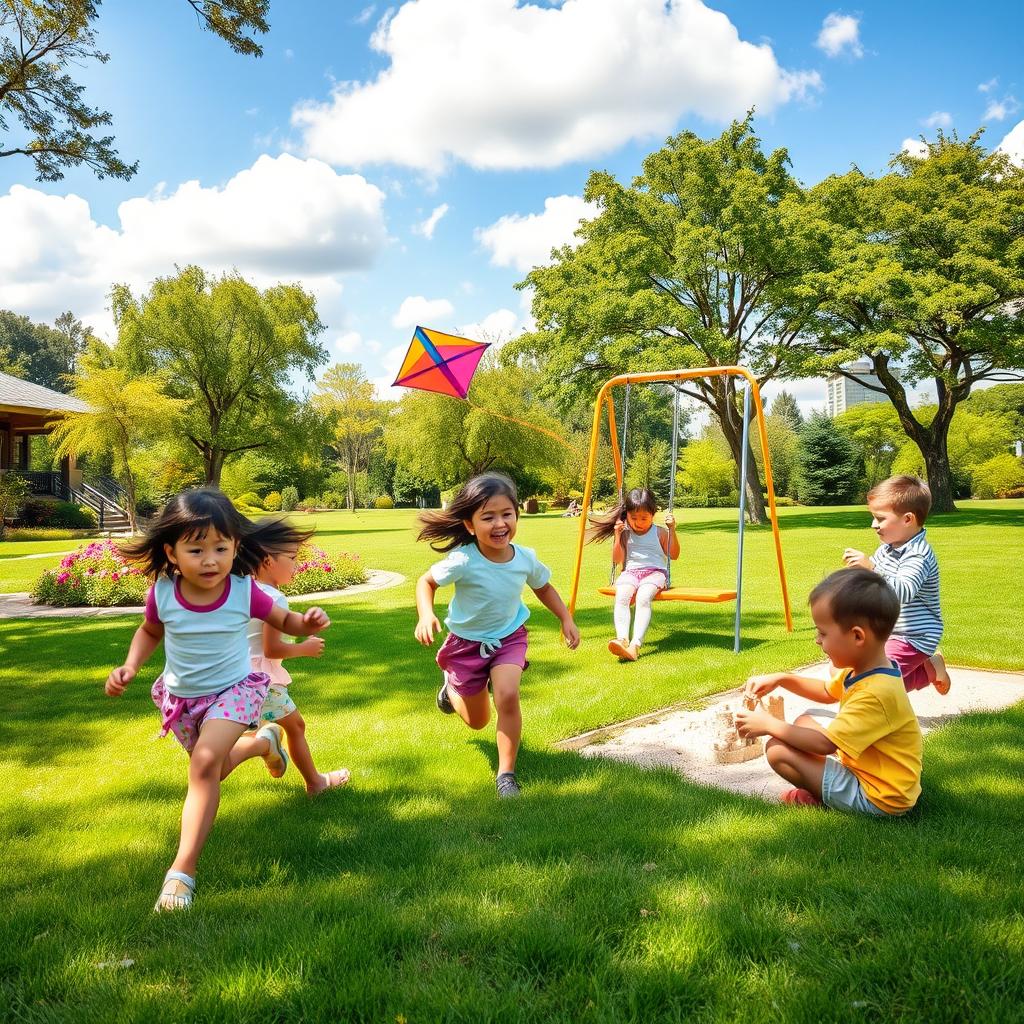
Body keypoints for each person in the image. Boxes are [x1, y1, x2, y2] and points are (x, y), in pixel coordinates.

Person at [105, 489, 330, 911]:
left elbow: (285, 620)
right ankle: (263, 743)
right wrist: (131, 666)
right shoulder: (164, 594)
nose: (210, 560)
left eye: (221, 548)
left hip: (235, 691)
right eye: (196, 549)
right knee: (214, 769)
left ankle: (181, 873)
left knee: (205, 765)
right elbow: (150, 632)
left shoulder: (245, 591)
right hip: (183, 697)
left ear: (236, 547)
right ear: (171, 552)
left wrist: (308, 621)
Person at [413, 472, 580, 798]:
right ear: (470, 525)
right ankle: (450, 690)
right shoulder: (463, 560)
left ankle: (506, 775)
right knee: (478, 721)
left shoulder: (525, 558)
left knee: (507, 695)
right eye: (488, 517)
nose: (500, 523)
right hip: (466, 645)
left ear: (517, 515)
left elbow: (543, 587)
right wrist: (426, 613)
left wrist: (565, 618)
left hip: (509, 637)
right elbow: (426, 582)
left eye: (507, 514)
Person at [734, 567, 923, 817]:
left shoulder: (876, 693)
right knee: (805, 720)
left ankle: (822, 799)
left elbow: (824, 744)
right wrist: (782, 679)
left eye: (823, 632)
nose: (817, 640)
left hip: (878, 798)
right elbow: (826, 691)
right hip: (872, 771)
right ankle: (824, 787)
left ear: (857, 636)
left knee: (778, 750)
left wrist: (768, 724)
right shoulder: (867, 670)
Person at [227, 520, 351, 797]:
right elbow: (272, 649)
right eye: (292, 558)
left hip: (234, 677)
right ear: (268, 561)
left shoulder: (242, 589)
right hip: (262, 681)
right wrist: (303, 648)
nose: (297, 565)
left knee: (248, 730)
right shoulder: (273, 599)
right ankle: (314, 781)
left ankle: (267, 746)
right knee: (295, 726)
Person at [842, 475, 949, 694]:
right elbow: (876, 586)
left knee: (878, 680)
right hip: (887, 631)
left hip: (914, 636)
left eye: (880, 519)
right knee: (872, 677)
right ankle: (930, 670)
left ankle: (873, 720)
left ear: (908, 519)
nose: (873, 525)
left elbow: (902, 592)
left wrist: (871, 569)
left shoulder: (918, 555)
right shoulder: (886, 549)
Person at [587, 487, 680, 661]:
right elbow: (617, 559)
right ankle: (622, 639)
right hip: (630, 572)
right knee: (621, 596)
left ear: (653, 515)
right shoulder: (625, 533)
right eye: (634, 517)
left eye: (644, 518)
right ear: (627, 514)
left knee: (643, 597)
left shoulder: (659, 532)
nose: (639, 522)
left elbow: (674, 555)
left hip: (655, 573)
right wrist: (617, 535)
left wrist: (672, 530)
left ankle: (635, 645)